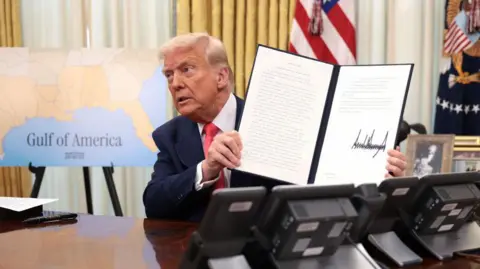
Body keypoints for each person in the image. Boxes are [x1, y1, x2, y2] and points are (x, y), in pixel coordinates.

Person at [142, 32, 408, 222]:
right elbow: (154, 203)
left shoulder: (275, 120)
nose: (175, 83)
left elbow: (317, 192)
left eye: (186, 69)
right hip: (195, 253)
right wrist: (207, 169)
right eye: (169, 74)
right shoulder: (171, 135)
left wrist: (377, 178)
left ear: (221, 77)